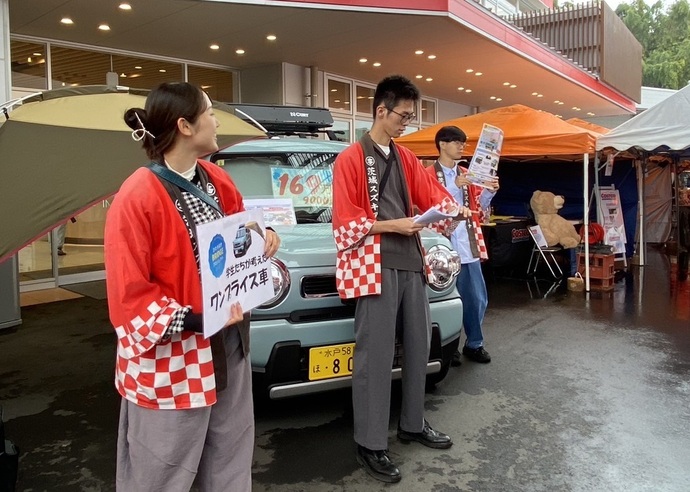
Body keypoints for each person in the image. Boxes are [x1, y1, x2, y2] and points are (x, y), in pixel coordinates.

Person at [104, 82, 280, 491]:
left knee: (229, 455)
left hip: (228, 342)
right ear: (184, 125)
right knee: (162, 467)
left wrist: (264, 236)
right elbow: (129, 295)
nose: (217, 120)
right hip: (172, 356)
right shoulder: (136, 195)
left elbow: (241, 232)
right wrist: (194, 316)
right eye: (209, 112)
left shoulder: (218, 178)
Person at [331, 75, 471, 484]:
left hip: (412, 262)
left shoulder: (407, 158)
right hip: (374, 265)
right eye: (402, 115)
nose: (406, 123)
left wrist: (455, 206)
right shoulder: (351, 158)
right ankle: (371, 442)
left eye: (411, 116)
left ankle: (413, 422)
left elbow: (433, 196)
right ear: (381, 110)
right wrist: (396, 223)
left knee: (417, 346)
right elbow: (344, 224)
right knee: (374, 357)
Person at [429, 126, 498, 366]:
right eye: (457, 142)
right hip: (440, 248)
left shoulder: (468, 173)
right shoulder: (428, 174)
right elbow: (426, 206)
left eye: (462, 143)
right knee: (446, 302)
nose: (461, 147)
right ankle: (450, 346)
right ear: (442, 144)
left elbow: (479, 206)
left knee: (476, 298)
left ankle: (474, 344)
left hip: (467, 244)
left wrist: (490, 191)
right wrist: (454, 187)